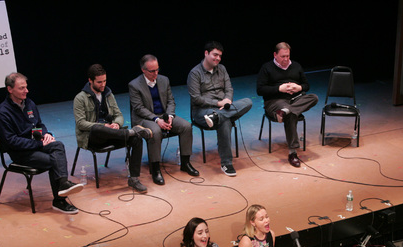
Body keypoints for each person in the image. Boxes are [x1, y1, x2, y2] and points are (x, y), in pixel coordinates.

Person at [0, 72, 83, 214]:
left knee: (58, 145)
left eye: (26, 87)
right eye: (21, 88)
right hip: (20, 153)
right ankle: (59, 200)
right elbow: (11, 141)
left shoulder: (29, 103)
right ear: (10, 89)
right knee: (52, 160)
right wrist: (39, 144)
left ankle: (62, 184)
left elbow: (39, 125)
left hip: (36, 144)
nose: (26, 91)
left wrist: (45, 135)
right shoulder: (2, 112)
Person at [73, 64, 152, 193]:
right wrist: (104, 126)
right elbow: (81, 123)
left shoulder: (108, 94)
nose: (103, 84)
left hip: (114, 134)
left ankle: (134, 179)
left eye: (105, 81)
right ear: (90, 81)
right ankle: (130, 132)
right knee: (98, 128)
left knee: (137, 139)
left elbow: (119, 115)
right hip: (93, 137)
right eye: (99, 82)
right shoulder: (80, 98)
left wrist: (117, 124)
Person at [129, 54, 198, 185]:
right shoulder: (134, 85)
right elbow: (139, 108)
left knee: (186, 127)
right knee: (155, 131)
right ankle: (155, 169)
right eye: (152, 71)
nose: (156, 73)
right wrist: (156, 120)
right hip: (145, 118)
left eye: (157, 69)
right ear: (143, 70)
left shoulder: (164, 80)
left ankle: (185, 163)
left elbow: (171, 101)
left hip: (164, 115)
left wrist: (170, 116)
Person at [187, 41, 252, 177]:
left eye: (220, 56)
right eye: (215, 55)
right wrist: (218, 103)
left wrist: (227, 100)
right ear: (206, 53)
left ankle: (217, 116)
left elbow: (229, 88)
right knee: (225, 120)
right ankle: (226, 163)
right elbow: (196, 99)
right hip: (203, 112)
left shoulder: (222, 69)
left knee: (248, 102)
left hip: (223, 107)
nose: (217, 58)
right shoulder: (195, 73)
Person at [256, 42, 318, 168]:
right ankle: (292, 153)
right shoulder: (267, 67)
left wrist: (298, 87)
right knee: (290, 114)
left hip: (295, 99)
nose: (286, 59)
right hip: (275, 101)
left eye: (288, 56)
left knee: (313, 98)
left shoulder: (296, 66)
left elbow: (307, 85)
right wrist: (280, 89)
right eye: (283, 56)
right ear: (275, 55)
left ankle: (286, 111)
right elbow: (260, 90)